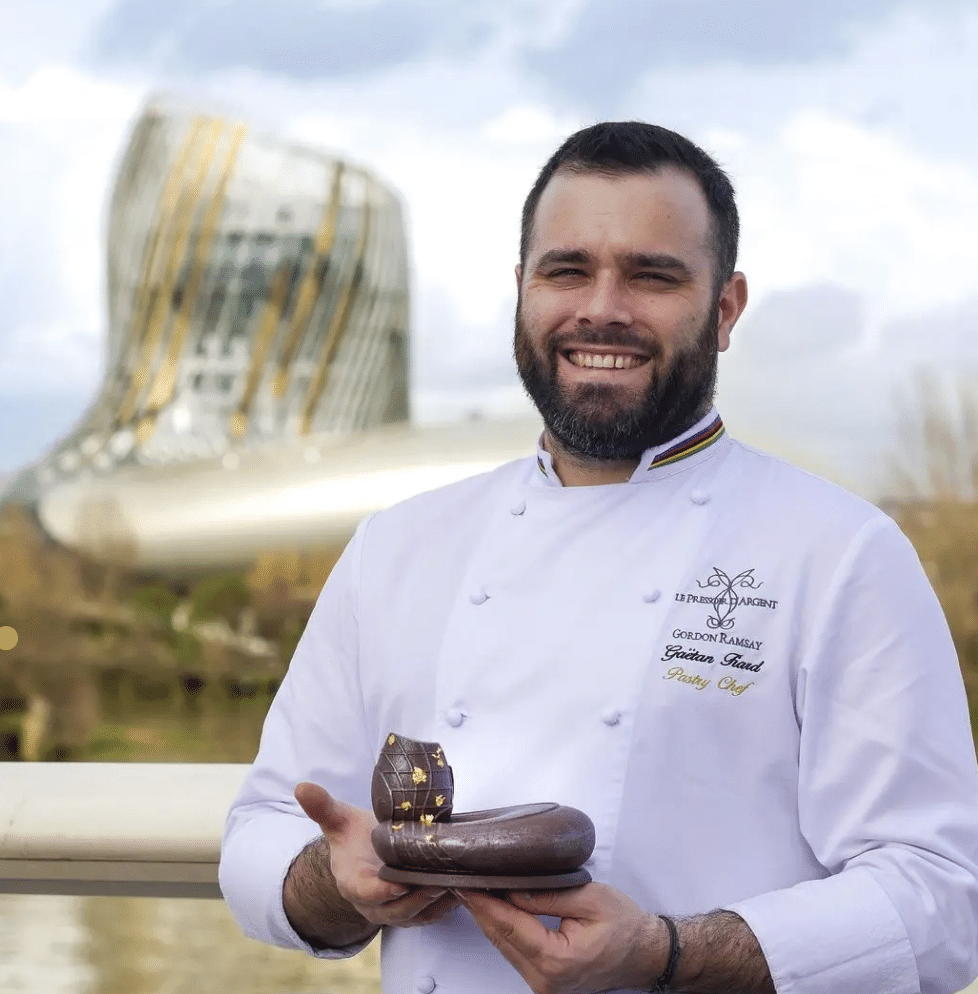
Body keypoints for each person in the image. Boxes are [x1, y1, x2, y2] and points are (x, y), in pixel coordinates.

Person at [219, 121, 978, 994]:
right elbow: (260, 836)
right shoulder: (396, 547)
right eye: (567, 269)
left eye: (652, 275)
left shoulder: (840, 553)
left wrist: (666, 952)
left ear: (725, 310)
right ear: (521, 290)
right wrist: (339, 884)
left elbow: (939, 900)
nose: (602, 308)